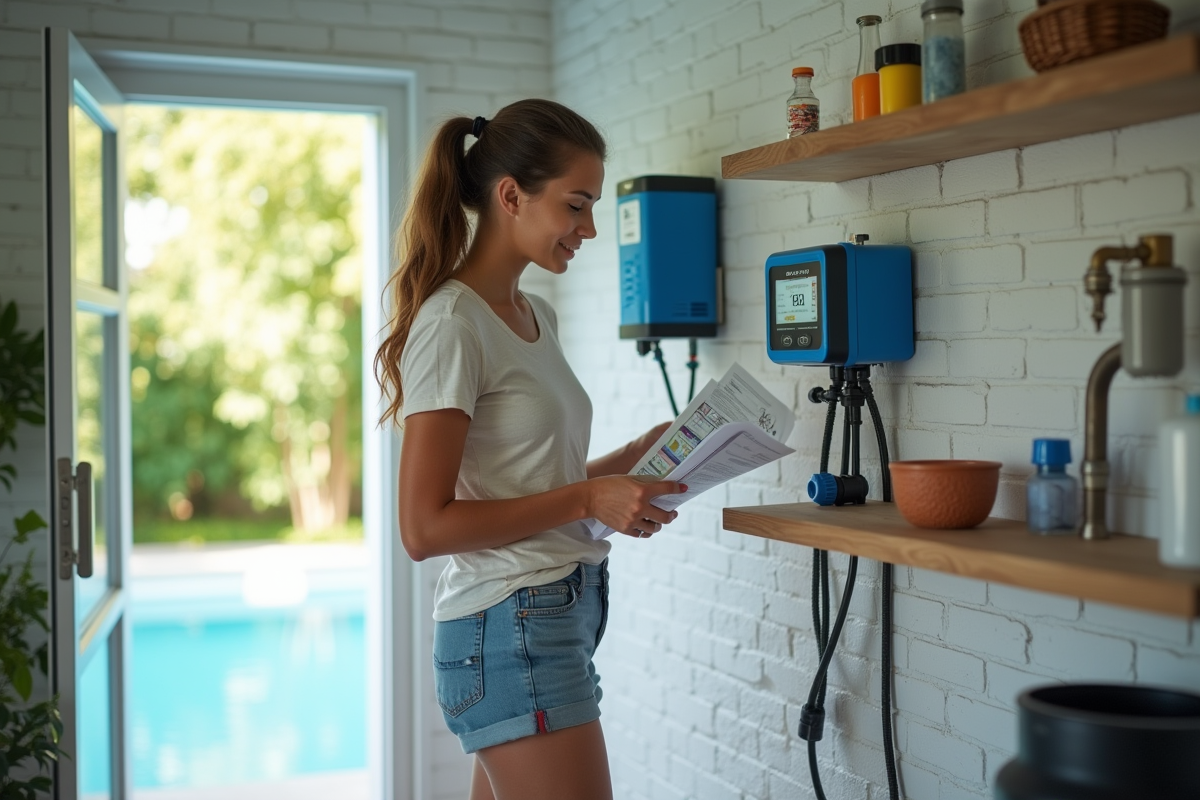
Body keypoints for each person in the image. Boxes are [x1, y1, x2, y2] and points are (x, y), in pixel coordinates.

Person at [374, 99, 686, 800]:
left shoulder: (532, 314)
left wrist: (630, 458)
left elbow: (530, 481)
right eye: (576, 204)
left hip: (550, 616)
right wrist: (584, 495)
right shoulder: (452, 324)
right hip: (508, 627)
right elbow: (424, 529)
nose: (591, 227)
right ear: (511, 196)